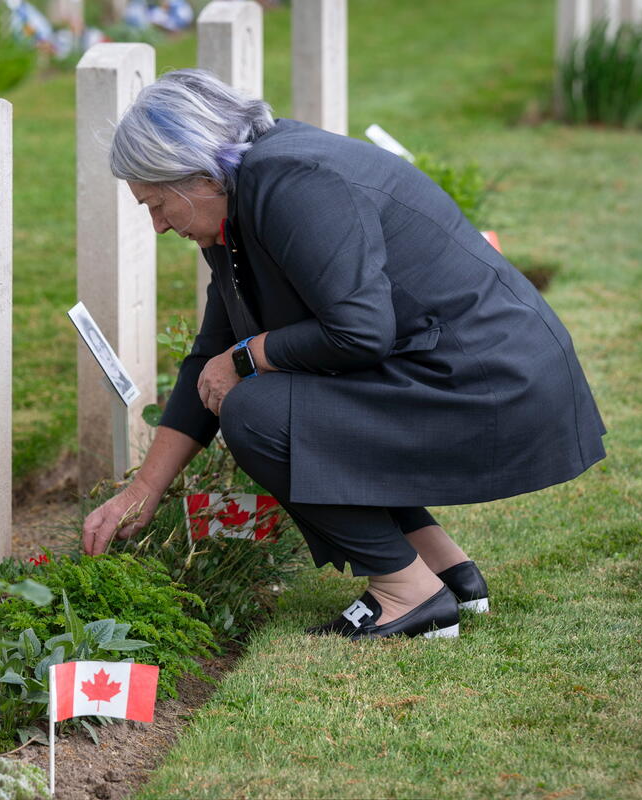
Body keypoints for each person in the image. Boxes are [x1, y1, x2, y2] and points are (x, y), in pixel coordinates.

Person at [82, 70, 606, 640]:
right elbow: (211, 351)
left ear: (201, 173)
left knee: (257, 412)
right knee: (273, 397)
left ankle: (407, 594)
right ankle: (443, 570)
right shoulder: (242, 196)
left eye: (158, 203)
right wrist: (143, 490)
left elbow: (359, 332)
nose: (158, 225)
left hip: (491, 382)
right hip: (457, 365)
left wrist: (249, 355)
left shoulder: (292, 183)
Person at [82, 316, 135, 398]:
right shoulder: (117, 382)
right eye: (99, 349)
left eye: (102, 346)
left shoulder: (125, 379)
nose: (106, 356)